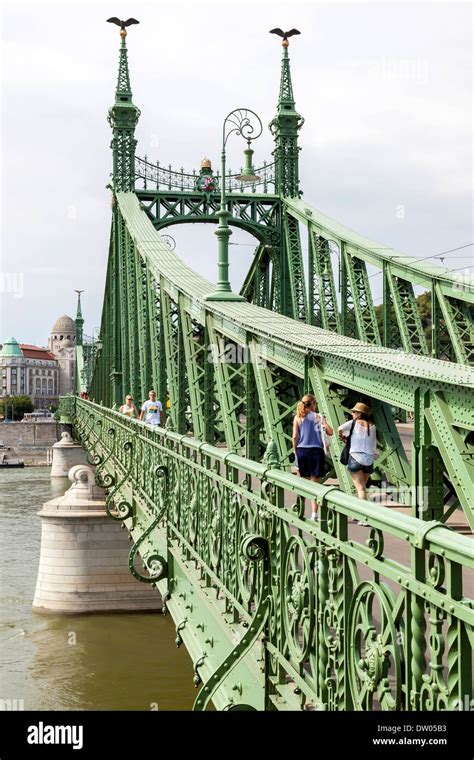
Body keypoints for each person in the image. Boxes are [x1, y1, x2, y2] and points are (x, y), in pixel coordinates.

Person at [292, 394, 333, 521]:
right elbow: (330, 432)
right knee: (315, 485)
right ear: (313, 403)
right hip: (316, 453)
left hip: (302, 452)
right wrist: (324, 427)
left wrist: (295, 450)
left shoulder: (298, 417)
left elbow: (295, 436)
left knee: (302, 483)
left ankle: (300, 510)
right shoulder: (318, 417)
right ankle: (314, 514)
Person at [338, 402, 377, 520]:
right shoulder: (373, 426)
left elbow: (340, 428)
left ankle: (364, 518)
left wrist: (342, 436)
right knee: (362, 487)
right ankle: (357, 513)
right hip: (369, 460)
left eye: (354, 412)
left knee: (360, 489)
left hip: (355, 458)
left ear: (360, 414)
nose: (352, 413)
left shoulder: (354, 423)